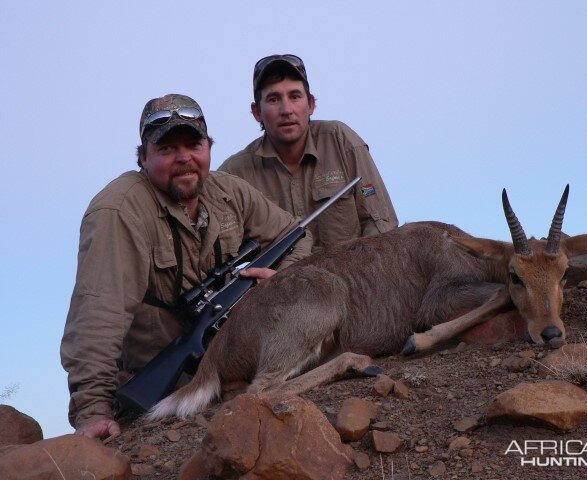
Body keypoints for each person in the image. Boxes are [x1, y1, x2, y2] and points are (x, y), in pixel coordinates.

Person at [61, 94, 313, 439]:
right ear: (142, 158)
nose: (184, 159)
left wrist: (281, 278)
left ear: (209, 147)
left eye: (194, 144)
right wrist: (93, 410)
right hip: (159, 384)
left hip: (233, 367)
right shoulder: (118, 211)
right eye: (166, 149)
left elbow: (297, 235)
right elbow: (98, 312)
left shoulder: (229, 191)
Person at [219, 54, 398, 252]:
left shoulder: (342, 141)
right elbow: (220, 256)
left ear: (311, 104)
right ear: (257, 112)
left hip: (351, 278)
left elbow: (382, 227)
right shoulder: (233, 175)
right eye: (273, 99)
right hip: (278, 283)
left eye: (295, 96)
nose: (286, 109)